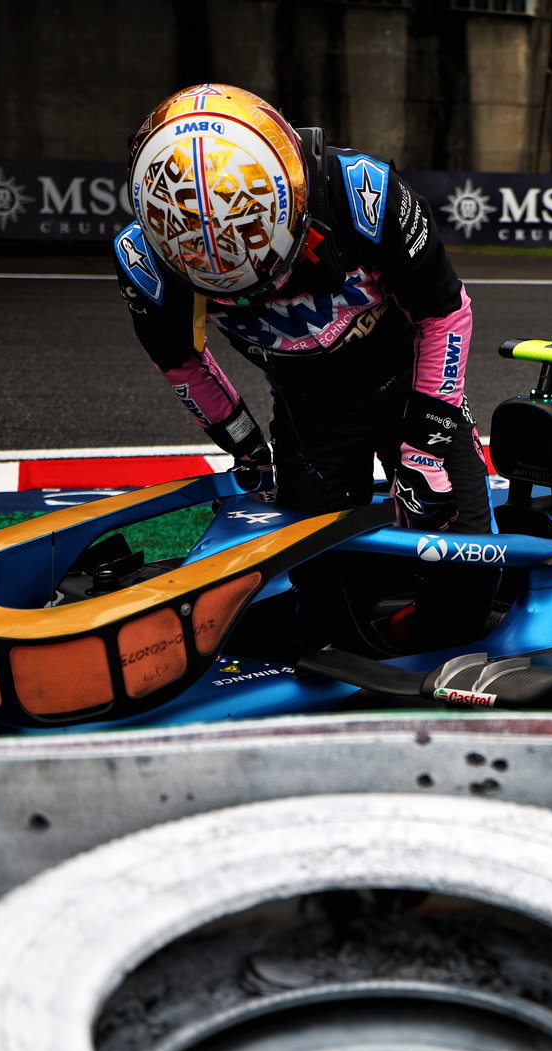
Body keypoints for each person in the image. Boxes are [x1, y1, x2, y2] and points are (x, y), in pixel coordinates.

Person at [114, 83, 493, 650]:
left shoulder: (367, 194)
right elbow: (181, 363)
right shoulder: (145, 261)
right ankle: (361, 641)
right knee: (314, 577)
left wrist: (426, 442)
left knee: (462, 546)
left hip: (409, 381)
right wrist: (245, 448)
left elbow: (446, 313)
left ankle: (437, 630)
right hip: (307, 404)